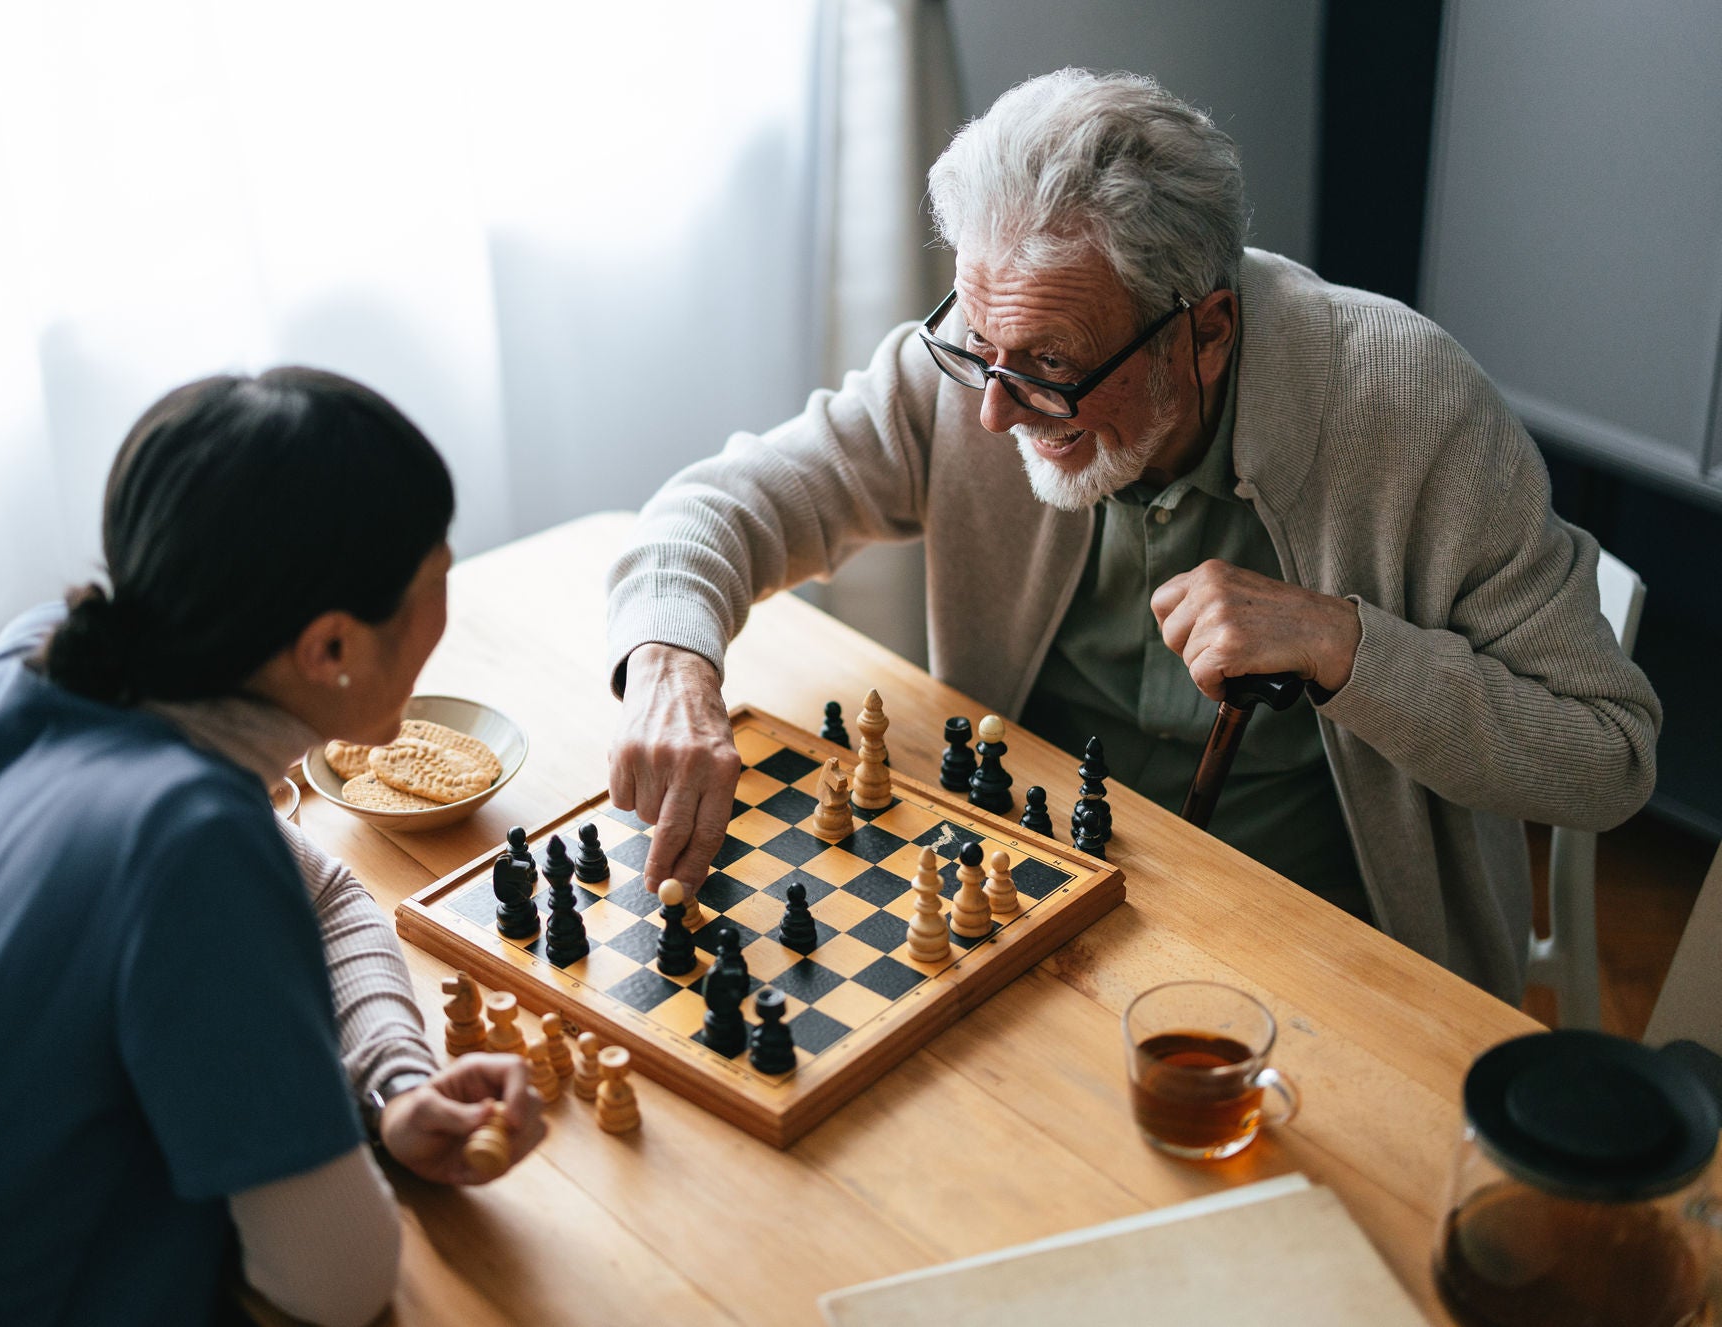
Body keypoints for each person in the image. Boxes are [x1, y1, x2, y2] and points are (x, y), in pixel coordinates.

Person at [604, 69, 1660, 1000]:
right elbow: (719, 505)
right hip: (1028, 889)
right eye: (980, 345)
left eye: (1051, 369)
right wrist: (668, 659)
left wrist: (1348, 645)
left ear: (1203, 331)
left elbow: (1606, 756)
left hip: (1324, 947)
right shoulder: (977, 363)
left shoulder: (1411, 406)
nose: (993, 413)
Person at [0, 368, 544, 1326]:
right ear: (332, 647)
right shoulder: (192, 843)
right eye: (436, 577)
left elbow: (329, 896)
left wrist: (394, 1080)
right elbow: (339, 1284)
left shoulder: (37, 661)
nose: (444, 600)